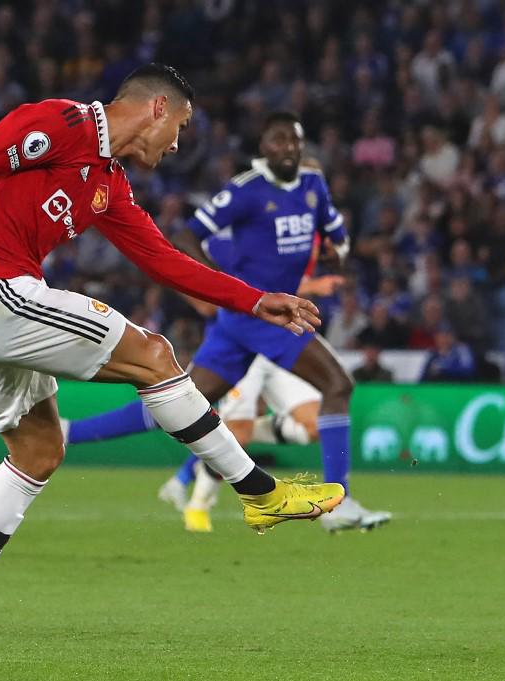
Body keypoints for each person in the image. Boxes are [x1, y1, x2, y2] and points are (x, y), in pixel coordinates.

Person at [0, 65, 344, 660]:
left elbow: (162, 259)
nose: (176, 144)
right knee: (154, 355)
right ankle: (260, 493)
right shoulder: (64, 122)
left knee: (38, 452)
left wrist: (254, 299)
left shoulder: (108, 184)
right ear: (157, 108)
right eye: (179, 127)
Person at [65, 112, 391, 533]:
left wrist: (340, 248)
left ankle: (68, 432)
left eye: (294, 141)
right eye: (277, 141)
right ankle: (339, 502)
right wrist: (214, 288)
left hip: (251, 318)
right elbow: (186, 236)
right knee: (337, 385)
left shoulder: (313, 185)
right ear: (263, 148)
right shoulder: (246, 191)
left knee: (178, 402)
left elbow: (332, 226)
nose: (287, 149)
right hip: (260, 314)